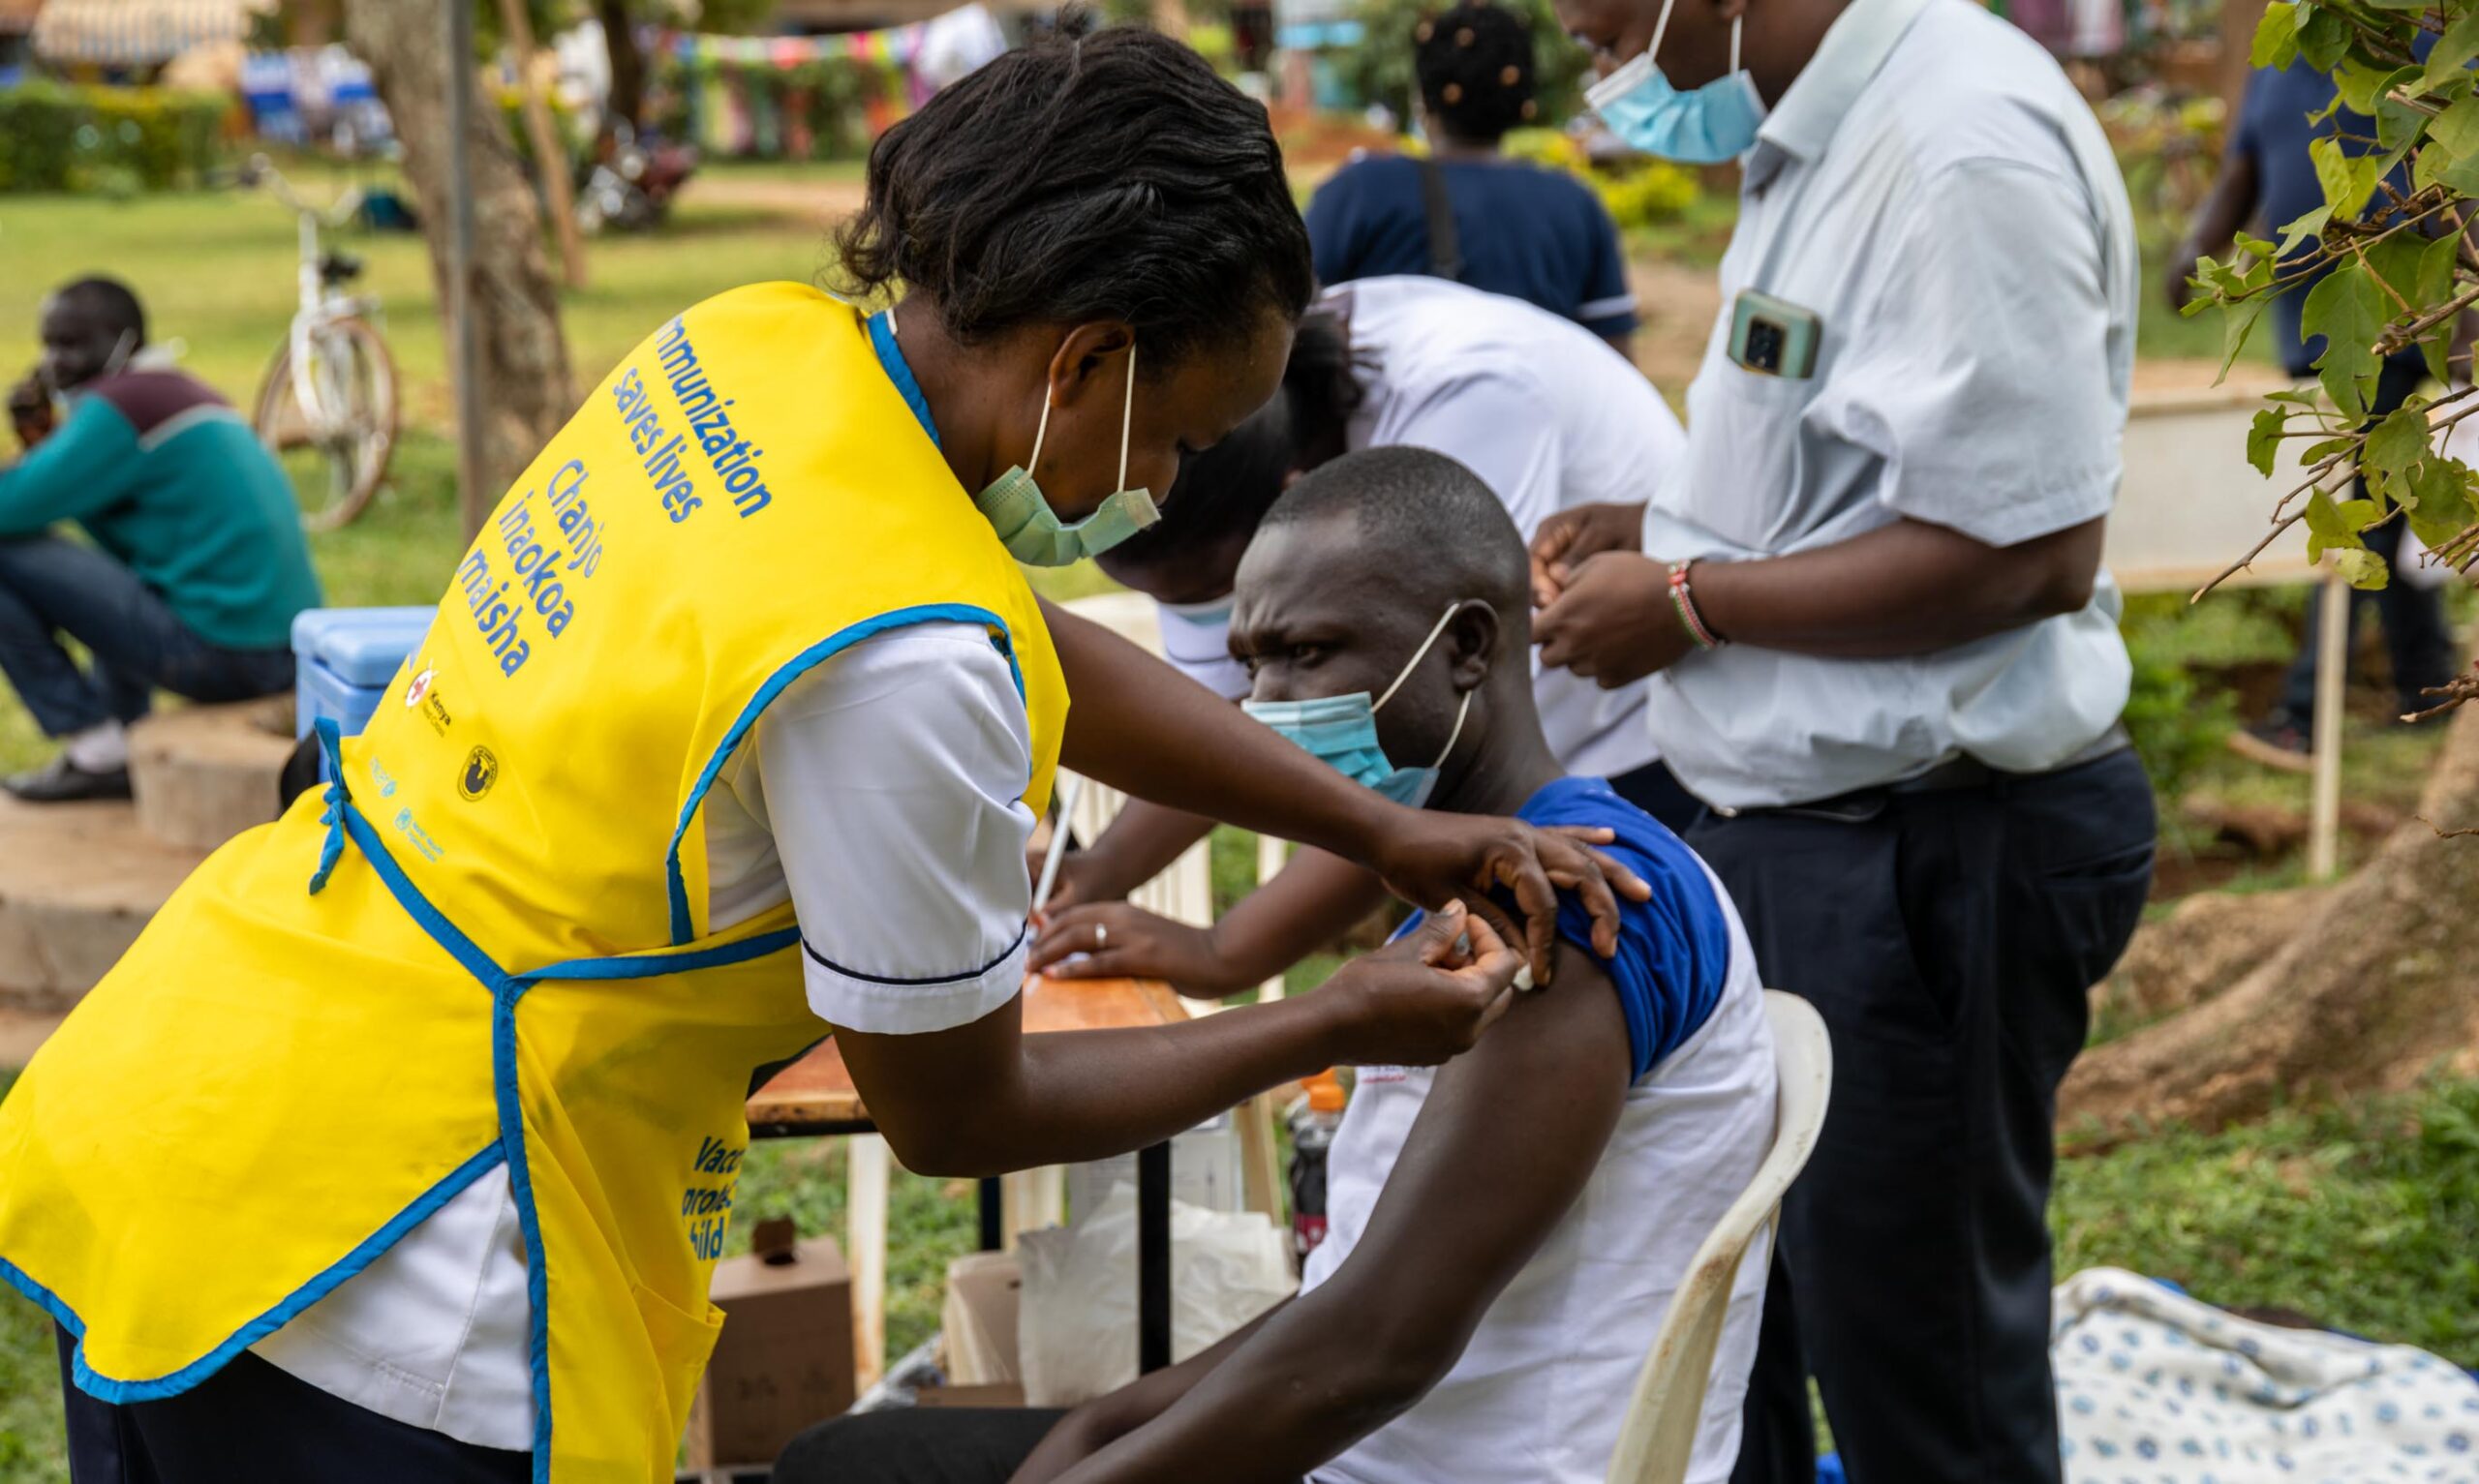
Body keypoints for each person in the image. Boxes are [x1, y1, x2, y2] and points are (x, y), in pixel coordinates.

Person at [0, 34, 1646, 1484]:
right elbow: (957, 1110)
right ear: (1082, 358)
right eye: (1182, 432)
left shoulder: (759, 350)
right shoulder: (903, 664)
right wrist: (1334, 1011)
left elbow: (1020, 636)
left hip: (207, 1088)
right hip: (397, 1254)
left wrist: (1376, 827)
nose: (1165, 477)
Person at [777, 447, 1777, 1484]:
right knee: (851, 1461)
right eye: (1251, 664)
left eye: (1306, 653)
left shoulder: (1570, 908)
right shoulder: (1480, 878)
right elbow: (1347, 1297)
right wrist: (1099, 1428)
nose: (1268, 703)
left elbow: (1374, 1347)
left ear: (1467, 646)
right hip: (1370, 1447)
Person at [1532, 0, 2158, 1479]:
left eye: (1604, 16)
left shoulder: (1956, 152)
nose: (1590, 47)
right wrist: (1678, 530)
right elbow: (1866, 473)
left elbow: (2023, 553)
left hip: (1925, 847)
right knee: (1746, 1319)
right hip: (1805, 838)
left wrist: (1687, 598)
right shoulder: (1814, 132)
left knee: (1919, 1374)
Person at [1034, 275, 1698, 992]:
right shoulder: (1247, 418)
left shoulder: (1470, 398)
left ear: (1292, 514)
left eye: (1300, 651)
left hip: (1629, 739)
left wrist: (1226, 951)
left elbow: (1408, 752)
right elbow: (1225, 724)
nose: (1268, 699)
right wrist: (1095, 873)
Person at [2170, 60, 2458, 769]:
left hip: (2399, 320)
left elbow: (2460, 180)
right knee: (2379, 505)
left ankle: (2306, 710)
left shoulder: (2412, 46)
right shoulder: (2280, 62)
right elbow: (2241, 175)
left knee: (2358, 508)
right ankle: (2428, 683)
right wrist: (2189, 256)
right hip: (2319, 332)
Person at [0, 276, 321, 803]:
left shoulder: (119, 407)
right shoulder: (165, 391)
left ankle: (96, 748)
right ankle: (120, 729)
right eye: (49, 344)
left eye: (73, 344)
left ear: (124, 340)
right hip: (276, 650)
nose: (55, 362)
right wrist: (45, 445)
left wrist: (36, 455)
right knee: (129, 574)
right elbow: (108, 520)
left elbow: (11, 508)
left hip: (229, 655)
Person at [1306, 3, 1639, 353]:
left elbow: (1290, 319)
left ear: (1423, 100)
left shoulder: (1360, 190)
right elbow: (1615, 361)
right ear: (1524, 100)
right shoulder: (1575, 202)